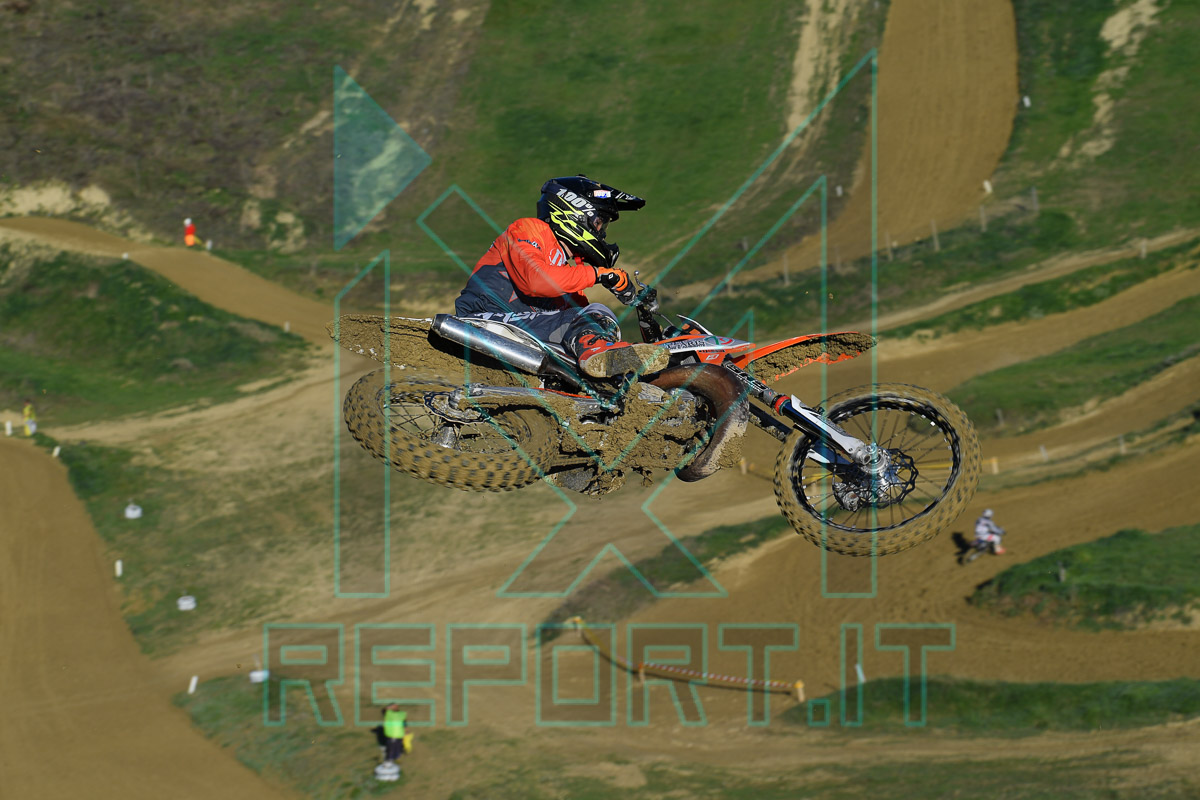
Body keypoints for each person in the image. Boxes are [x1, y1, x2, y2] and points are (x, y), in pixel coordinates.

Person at [454, 175, 669, 379]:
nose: (602, 233)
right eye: (599, 222)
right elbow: (535, 280)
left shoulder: (565, 272)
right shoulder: (528, 229)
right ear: (575, 213)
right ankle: (598, 355)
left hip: (520, 332)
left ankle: (615, 369)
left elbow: (584, 317)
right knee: (597, 313)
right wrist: (600, 274)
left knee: (599, 319)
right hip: (482, 319)